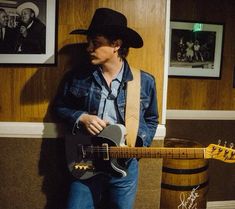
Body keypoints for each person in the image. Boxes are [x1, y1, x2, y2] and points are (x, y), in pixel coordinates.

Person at [53, 8, 158, 209]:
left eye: (96, 43)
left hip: (125, 164)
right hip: (86, 158)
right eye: (89, 42)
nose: (89, 48)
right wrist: (81, 117)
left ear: (116, 45)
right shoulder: (77, 76)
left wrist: (137, 144)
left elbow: (152, 119)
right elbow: (59, 107)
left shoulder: (144, 81)